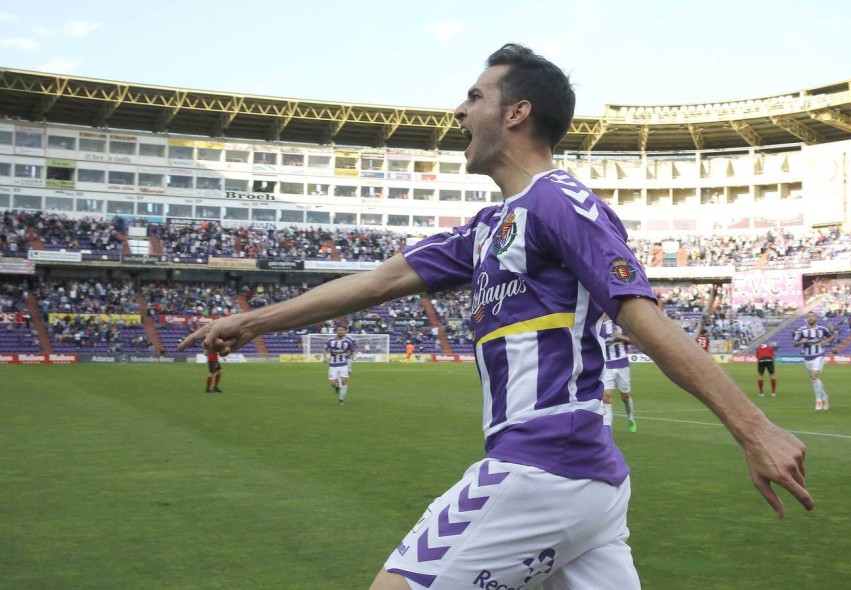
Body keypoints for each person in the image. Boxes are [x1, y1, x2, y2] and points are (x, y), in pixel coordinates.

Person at [180, 43, 813, 590]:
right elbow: (382, 280)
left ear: (516, 113)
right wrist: (254, 321)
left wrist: (753, 428)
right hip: (589, 487)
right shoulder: (489, 228)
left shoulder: (561, 203)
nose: (459, 110)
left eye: (474, 96)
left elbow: (644, 318)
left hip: (543, 465)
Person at [598, 314, 637, 432]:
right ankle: (607, 431)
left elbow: (634, 340)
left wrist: (620, 337)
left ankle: (630, 417)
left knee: (625, 397)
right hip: (607, 365)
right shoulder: (598, 326)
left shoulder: (621, 323)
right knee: (606, 397)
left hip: (622, 364)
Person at [793, 311, 834, 410]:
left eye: (812, 316)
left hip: (819, 355)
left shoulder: (822, 329)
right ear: (807, 318)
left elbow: (831, 337)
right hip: (807, 357)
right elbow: (794, 343)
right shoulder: (802, 330)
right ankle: (824, 396)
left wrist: (825, 342)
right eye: (809, 316)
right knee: (814, 379)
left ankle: (818, 400)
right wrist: (800, 342)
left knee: (815, 376)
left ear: (816, 318)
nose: (811, 318)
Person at [324, 325, 357, 405]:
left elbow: (353, 350)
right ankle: (336, 386)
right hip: (333, 365)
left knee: (344, 381)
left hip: (343, 364)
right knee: (333, 384)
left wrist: (352, 355)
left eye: (342, 330)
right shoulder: (330, 341)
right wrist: (325, 358)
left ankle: (341, 400)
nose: (340, 331)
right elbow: (325, 349)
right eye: (339, 330)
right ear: (336, 331)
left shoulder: (348, 342)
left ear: (345, 331)